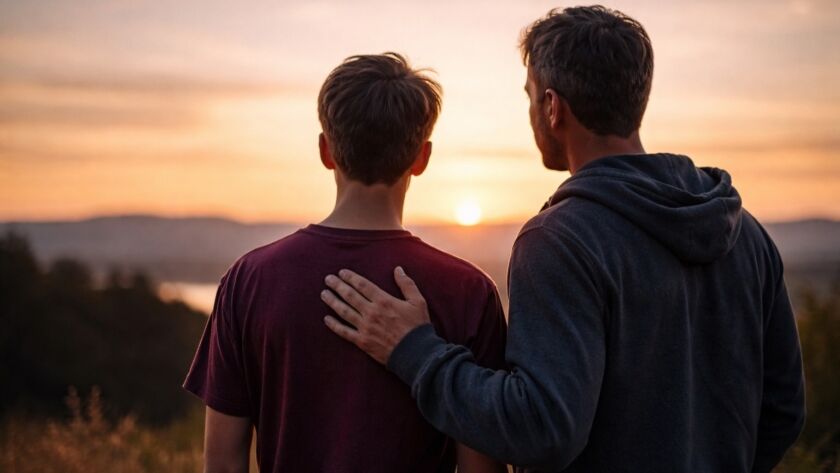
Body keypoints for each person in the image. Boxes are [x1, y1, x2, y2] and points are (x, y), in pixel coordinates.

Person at [321, 6, 806, 472]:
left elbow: (542, 430)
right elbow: (783, 409)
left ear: (552, 107)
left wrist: (414, 350)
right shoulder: (745, 232)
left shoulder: (563, 240)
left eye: (531, 94)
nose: (532, 108)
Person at [183, 53, 508, 473]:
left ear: (326, 150)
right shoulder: (469, 292)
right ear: (422, 158)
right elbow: (481, 468)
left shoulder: (249, 281)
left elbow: (223, 462)